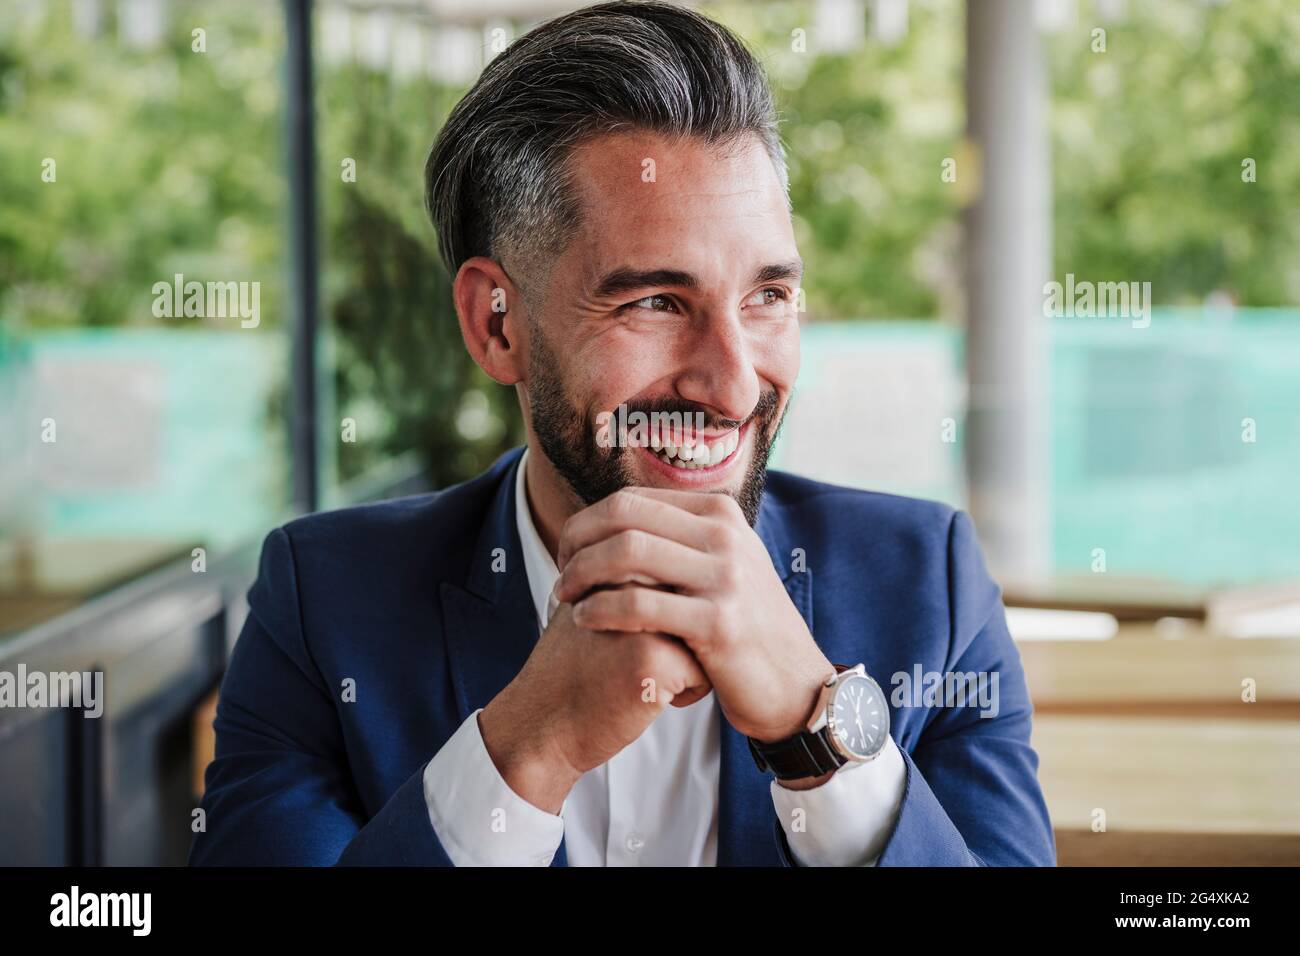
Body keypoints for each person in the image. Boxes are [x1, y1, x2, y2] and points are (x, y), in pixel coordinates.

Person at [189, 0, 1054, 867]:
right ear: (497, 325)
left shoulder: (927, 587)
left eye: (768, 297)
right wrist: (530, 748)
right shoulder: (324, 604)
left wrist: (814, 731)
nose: (735, 383)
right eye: (654, 302)